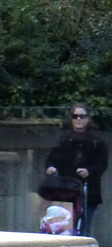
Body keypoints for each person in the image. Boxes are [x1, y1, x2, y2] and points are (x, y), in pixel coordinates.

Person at [45, 102, 108, 237]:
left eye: (81, 116)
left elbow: (102, 163)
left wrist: (89, 171)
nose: (78, 119)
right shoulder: (64, 139)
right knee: (64, 227)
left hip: (88, 190)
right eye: (75, 116)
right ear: (71, 118)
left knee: (84, 226)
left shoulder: (97, 140)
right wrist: (50, 167)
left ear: (88, 119)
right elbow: (52, 158)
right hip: (66, 191)